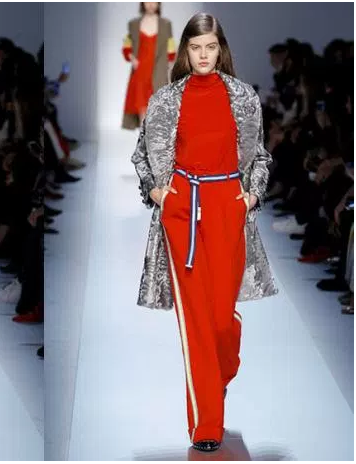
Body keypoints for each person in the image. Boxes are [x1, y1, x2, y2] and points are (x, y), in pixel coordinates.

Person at [131, 12, 278, 452]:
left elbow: (260, 156)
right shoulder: (166, 99)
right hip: (183, 213)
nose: (203, 55)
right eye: (196, 48)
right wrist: (158, 193)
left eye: (210, 47)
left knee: (221, 320)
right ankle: (206, 425)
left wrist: (251, 196)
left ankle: (220, 373)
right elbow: (142, 154)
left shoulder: (243, 97)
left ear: (221, 49)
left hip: (228, 208)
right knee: (196, 323)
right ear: (185, 51)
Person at [122, 2, 176, 129]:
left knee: (157, 107)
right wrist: (132, 59)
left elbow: (171, 49)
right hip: (141, 71)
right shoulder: (134, 24)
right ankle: (145, 138)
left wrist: (170, 70)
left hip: (159, 70)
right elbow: (127, 46)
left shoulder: (166, 24)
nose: (151, 4)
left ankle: (152, 138)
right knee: (142, 108)